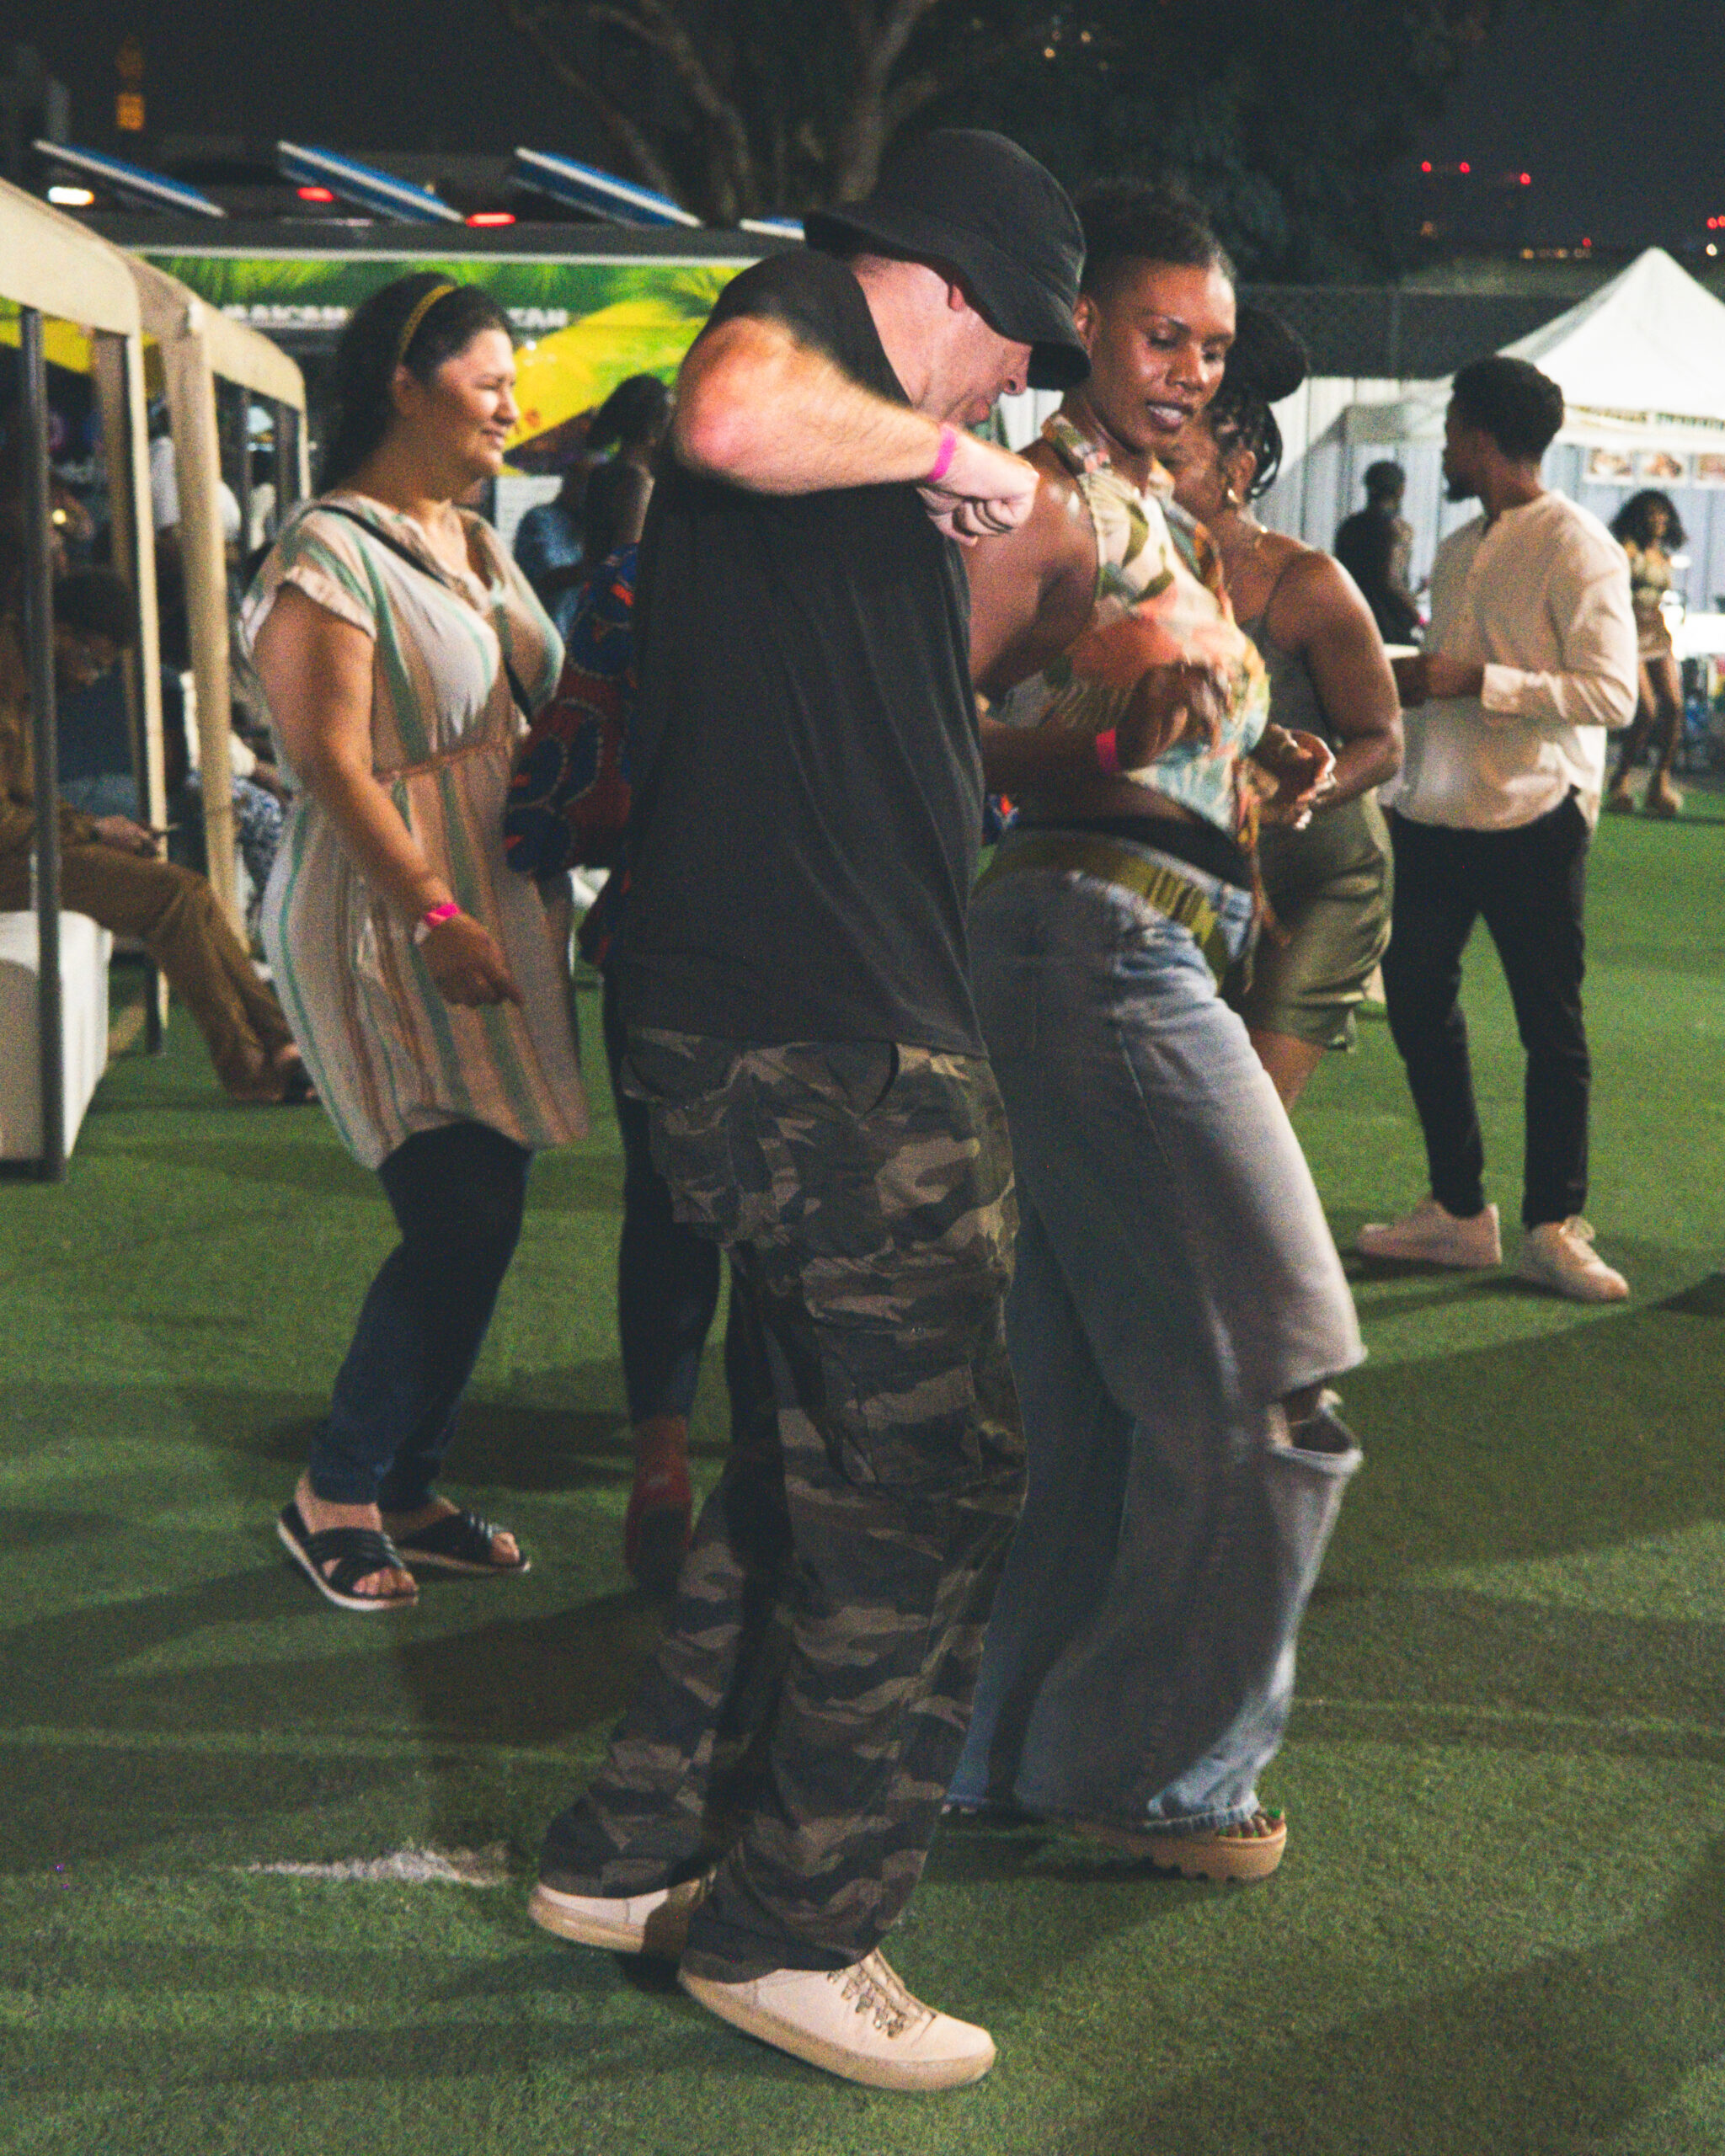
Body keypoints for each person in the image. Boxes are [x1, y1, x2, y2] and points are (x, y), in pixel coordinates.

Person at [528, 128, 1089, 2093]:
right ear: (946, 288)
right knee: (926, 1483)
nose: (1010, 390)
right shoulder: (792, 338)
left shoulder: (849, 453)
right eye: (1013, 347)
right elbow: (734, 407)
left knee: (815, 1466)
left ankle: (634, 1845)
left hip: (803, 1026)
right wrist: (950, 457)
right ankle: (796, 1927)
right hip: (826, 1045)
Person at [944, 180, 1364, 1883]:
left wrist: (1249, 764)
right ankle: (1154, 1772)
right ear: (1082, 330)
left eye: (1211, 343)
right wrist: (1121, 742)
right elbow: (922, 725)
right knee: (1276, 1370)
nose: (1192, 368)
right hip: (1090, 945)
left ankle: (988, 1749)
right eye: (1159, 334)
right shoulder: (1039, 497)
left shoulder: (1144, 509)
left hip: (1132, 940)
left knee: (1086, 1404)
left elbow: (1136, 720)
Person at [245, 275, 588, 1613]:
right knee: (458, 1211)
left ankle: (405, 1485)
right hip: (386, 918)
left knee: (484, 1212)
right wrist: (435, 910)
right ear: (404, 381)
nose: (512, 405)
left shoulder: (473, 539)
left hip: (487, 909)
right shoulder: (326, 550)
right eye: (489, 380)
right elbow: (330, 762)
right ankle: (336, 1490)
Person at [1359, 355, 1637, 1301]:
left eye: (1450, 433)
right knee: (1413, 1001)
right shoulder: (1458, 544)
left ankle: (1552, 1226)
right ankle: (1457, 1210)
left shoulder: (1579, 546)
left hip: (1533, 814)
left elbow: (1612, 694)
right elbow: (1453, 673)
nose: (1443, 450)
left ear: (1478, 438)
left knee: (1549, 1027)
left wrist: (1476, 679)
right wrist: (1413, 681)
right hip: (1437, 810)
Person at [505, 399, 719, 1597]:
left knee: (665, 1207)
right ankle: (773, 1486)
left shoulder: (631, 590)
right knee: (799, 1232)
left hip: (660, 939)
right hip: (825, 955)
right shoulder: (864, 590)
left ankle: (661, 1459)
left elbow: (565, 780)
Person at [1167, 308, 1403, 1107]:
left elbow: (1383, 740)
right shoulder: (1133, 564)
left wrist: (1297, 794)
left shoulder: (1306, 583)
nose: (1148, 477)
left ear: (1238, 467)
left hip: (1318, 881)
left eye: (1173, 460)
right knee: (1176, 1106)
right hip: (1194, 873)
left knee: (1242, 1117)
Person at [0, 567, 311, 1105]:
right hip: (11, 859)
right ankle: (252, 1071)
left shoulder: (22, 682)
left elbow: (27, 798)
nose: (91, 679)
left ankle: (281, 1044)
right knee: (172, 897)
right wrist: (93, 828)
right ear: (59, 633)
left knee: (191, 891)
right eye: (93, 661)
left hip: (20, 850)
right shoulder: (8, 689)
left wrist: (97, 829)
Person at [1604, 489, 1686, 819]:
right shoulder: (1626, 550)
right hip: (1629, 629)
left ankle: (1660, 781)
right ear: (1639, 517)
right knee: (1647, 709)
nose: (1659, 520)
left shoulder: (1661, 554)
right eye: (1652, 514)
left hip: (1657, 629)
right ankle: (1620, 780)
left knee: (1675, 706)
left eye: (1663, 514)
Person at [1334, 460, 1422, 646]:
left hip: (1349, 627)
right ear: (1401, 490)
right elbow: (1390, 581)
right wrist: (1419, 618)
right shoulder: (1398, 529)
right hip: (1389, 633)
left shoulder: (1349, 527)